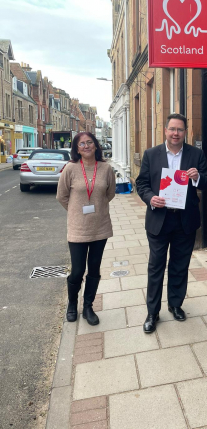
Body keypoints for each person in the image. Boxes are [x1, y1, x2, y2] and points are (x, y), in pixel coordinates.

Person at [136, 113, 207, 333]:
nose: (176, 133)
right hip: (159, 220)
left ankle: (175, 304)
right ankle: (152, 312)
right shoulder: (151, 154)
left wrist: (197, 177)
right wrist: (151, 198)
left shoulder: (196, 154)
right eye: (172, 129)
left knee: (180, 266)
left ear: (185, 132)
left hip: (184, 221)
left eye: (180, 129)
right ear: (165, 131)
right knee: (156, 266)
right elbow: (142, 184)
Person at [57, 131, 116, 325]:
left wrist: (96, 209)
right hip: (78, 228)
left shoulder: (106, 168)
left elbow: (110, 193)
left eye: (89, 142)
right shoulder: (70, 169)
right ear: (77, 149)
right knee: (78, 269)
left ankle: (88, 306)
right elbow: (62, 196)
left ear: (96, 145)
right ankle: (72, 303)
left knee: (94, 268)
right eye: (82, 144)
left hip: (100, 226)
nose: (86, 146)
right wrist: (76, 212)